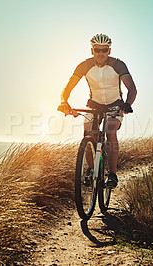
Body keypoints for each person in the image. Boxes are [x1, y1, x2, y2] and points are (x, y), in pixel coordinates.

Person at [58, 34, 137, 188]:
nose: (101, 53)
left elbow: (132, 88)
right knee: (88, 132)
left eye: (104, 50)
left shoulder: (118, 65)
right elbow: (67, 87)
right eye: (97, 50)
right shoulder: (84, 66)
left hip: (115, 104)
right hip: (94, 104)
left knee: (110, 130)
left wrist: (127, 104)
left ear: (109, 50)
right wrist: (64, 101)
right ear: (92, 50)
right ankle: (90, 169)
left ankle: (112, 174)